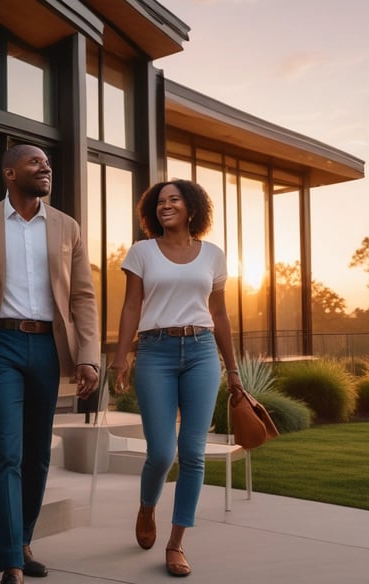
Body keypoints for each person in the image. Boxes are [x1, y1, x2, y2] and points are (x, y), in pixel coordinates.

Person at [0, 143, 100, 584]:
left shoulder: (67, 227)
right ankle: (11, 560)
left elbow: (83, 296)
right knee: (7, 454)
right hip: (0, 349)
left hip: (49, 349)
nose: (46, 167)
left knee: (36, 457)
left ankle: (24, 539)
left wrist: (88, 355)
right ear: (10, 173)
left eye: (48, 163)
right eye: (35, 162)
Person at [110, 178, 244, 578]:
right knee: (162, 452)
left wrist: (233, 368)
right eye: (160, 201)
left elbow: (219, 314)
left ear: (192, 208)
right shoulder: (142, 252)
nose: (165, 206)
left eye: (174, 200)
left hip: (202, 352)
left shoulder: (213, 255)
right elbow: (131, 307)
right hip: (155, 352)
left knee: (194, 452)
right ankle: (147, 505)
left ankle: (176, 543)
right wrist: (121, 357)